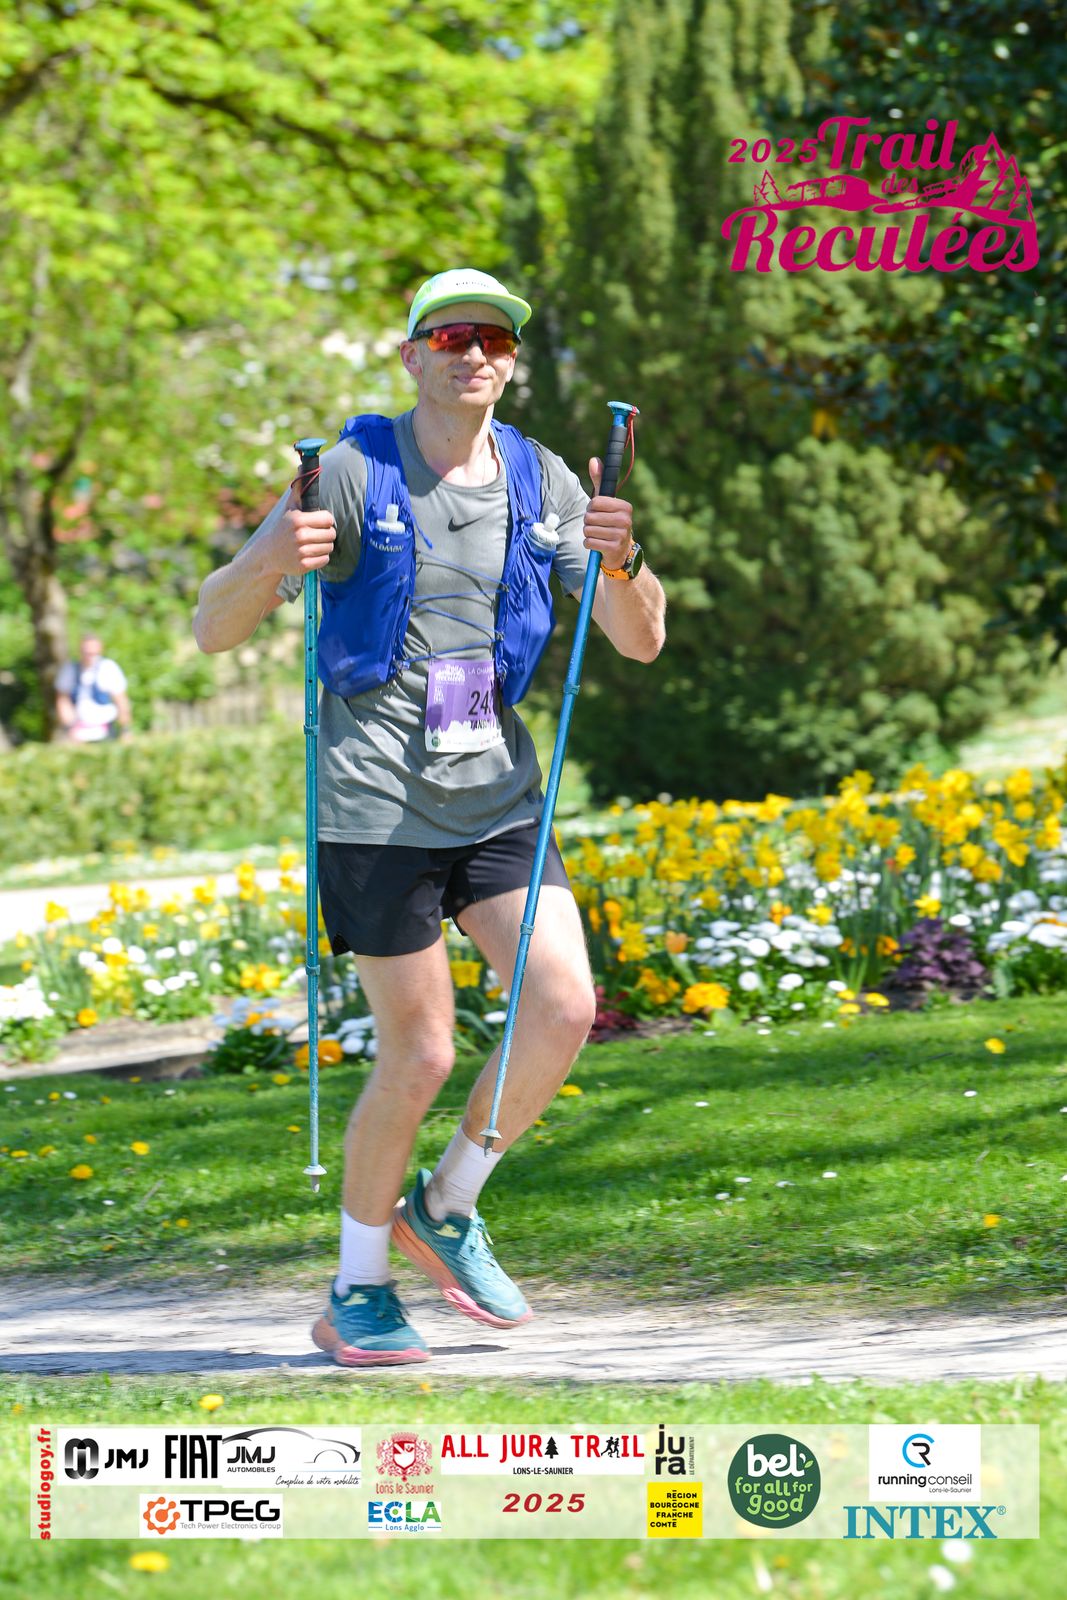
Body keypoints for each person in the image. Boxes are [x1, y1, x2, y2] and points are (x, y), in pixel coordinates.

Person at [193, 267, 666, 1366]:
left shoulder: (545, 479)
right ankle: (355, 1288)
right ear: (412, 356)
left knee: (563, 1004)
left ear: (511, 361)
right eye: (451, 337)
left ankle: (445, 1206)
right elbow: (214, 626)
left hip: (495, 793)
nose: (474, 354)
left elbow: (639, 638)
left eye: (494, 339)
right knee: (419, 1055)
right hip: (377, 804)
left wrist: (624, 557)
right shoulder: (348, 472)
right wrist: (272, 558)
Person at [55, 634, 132, 743]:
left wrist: (125, 729)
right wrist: (69, 728)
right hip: (78, 730)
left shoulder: (108, 668)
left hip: (105, 728)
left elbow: (121, 700)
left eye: (93, 653)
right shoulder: (70, 670)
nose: (90, 656)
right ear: (80, 651)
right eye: (87, 653)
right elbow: (63, 701)